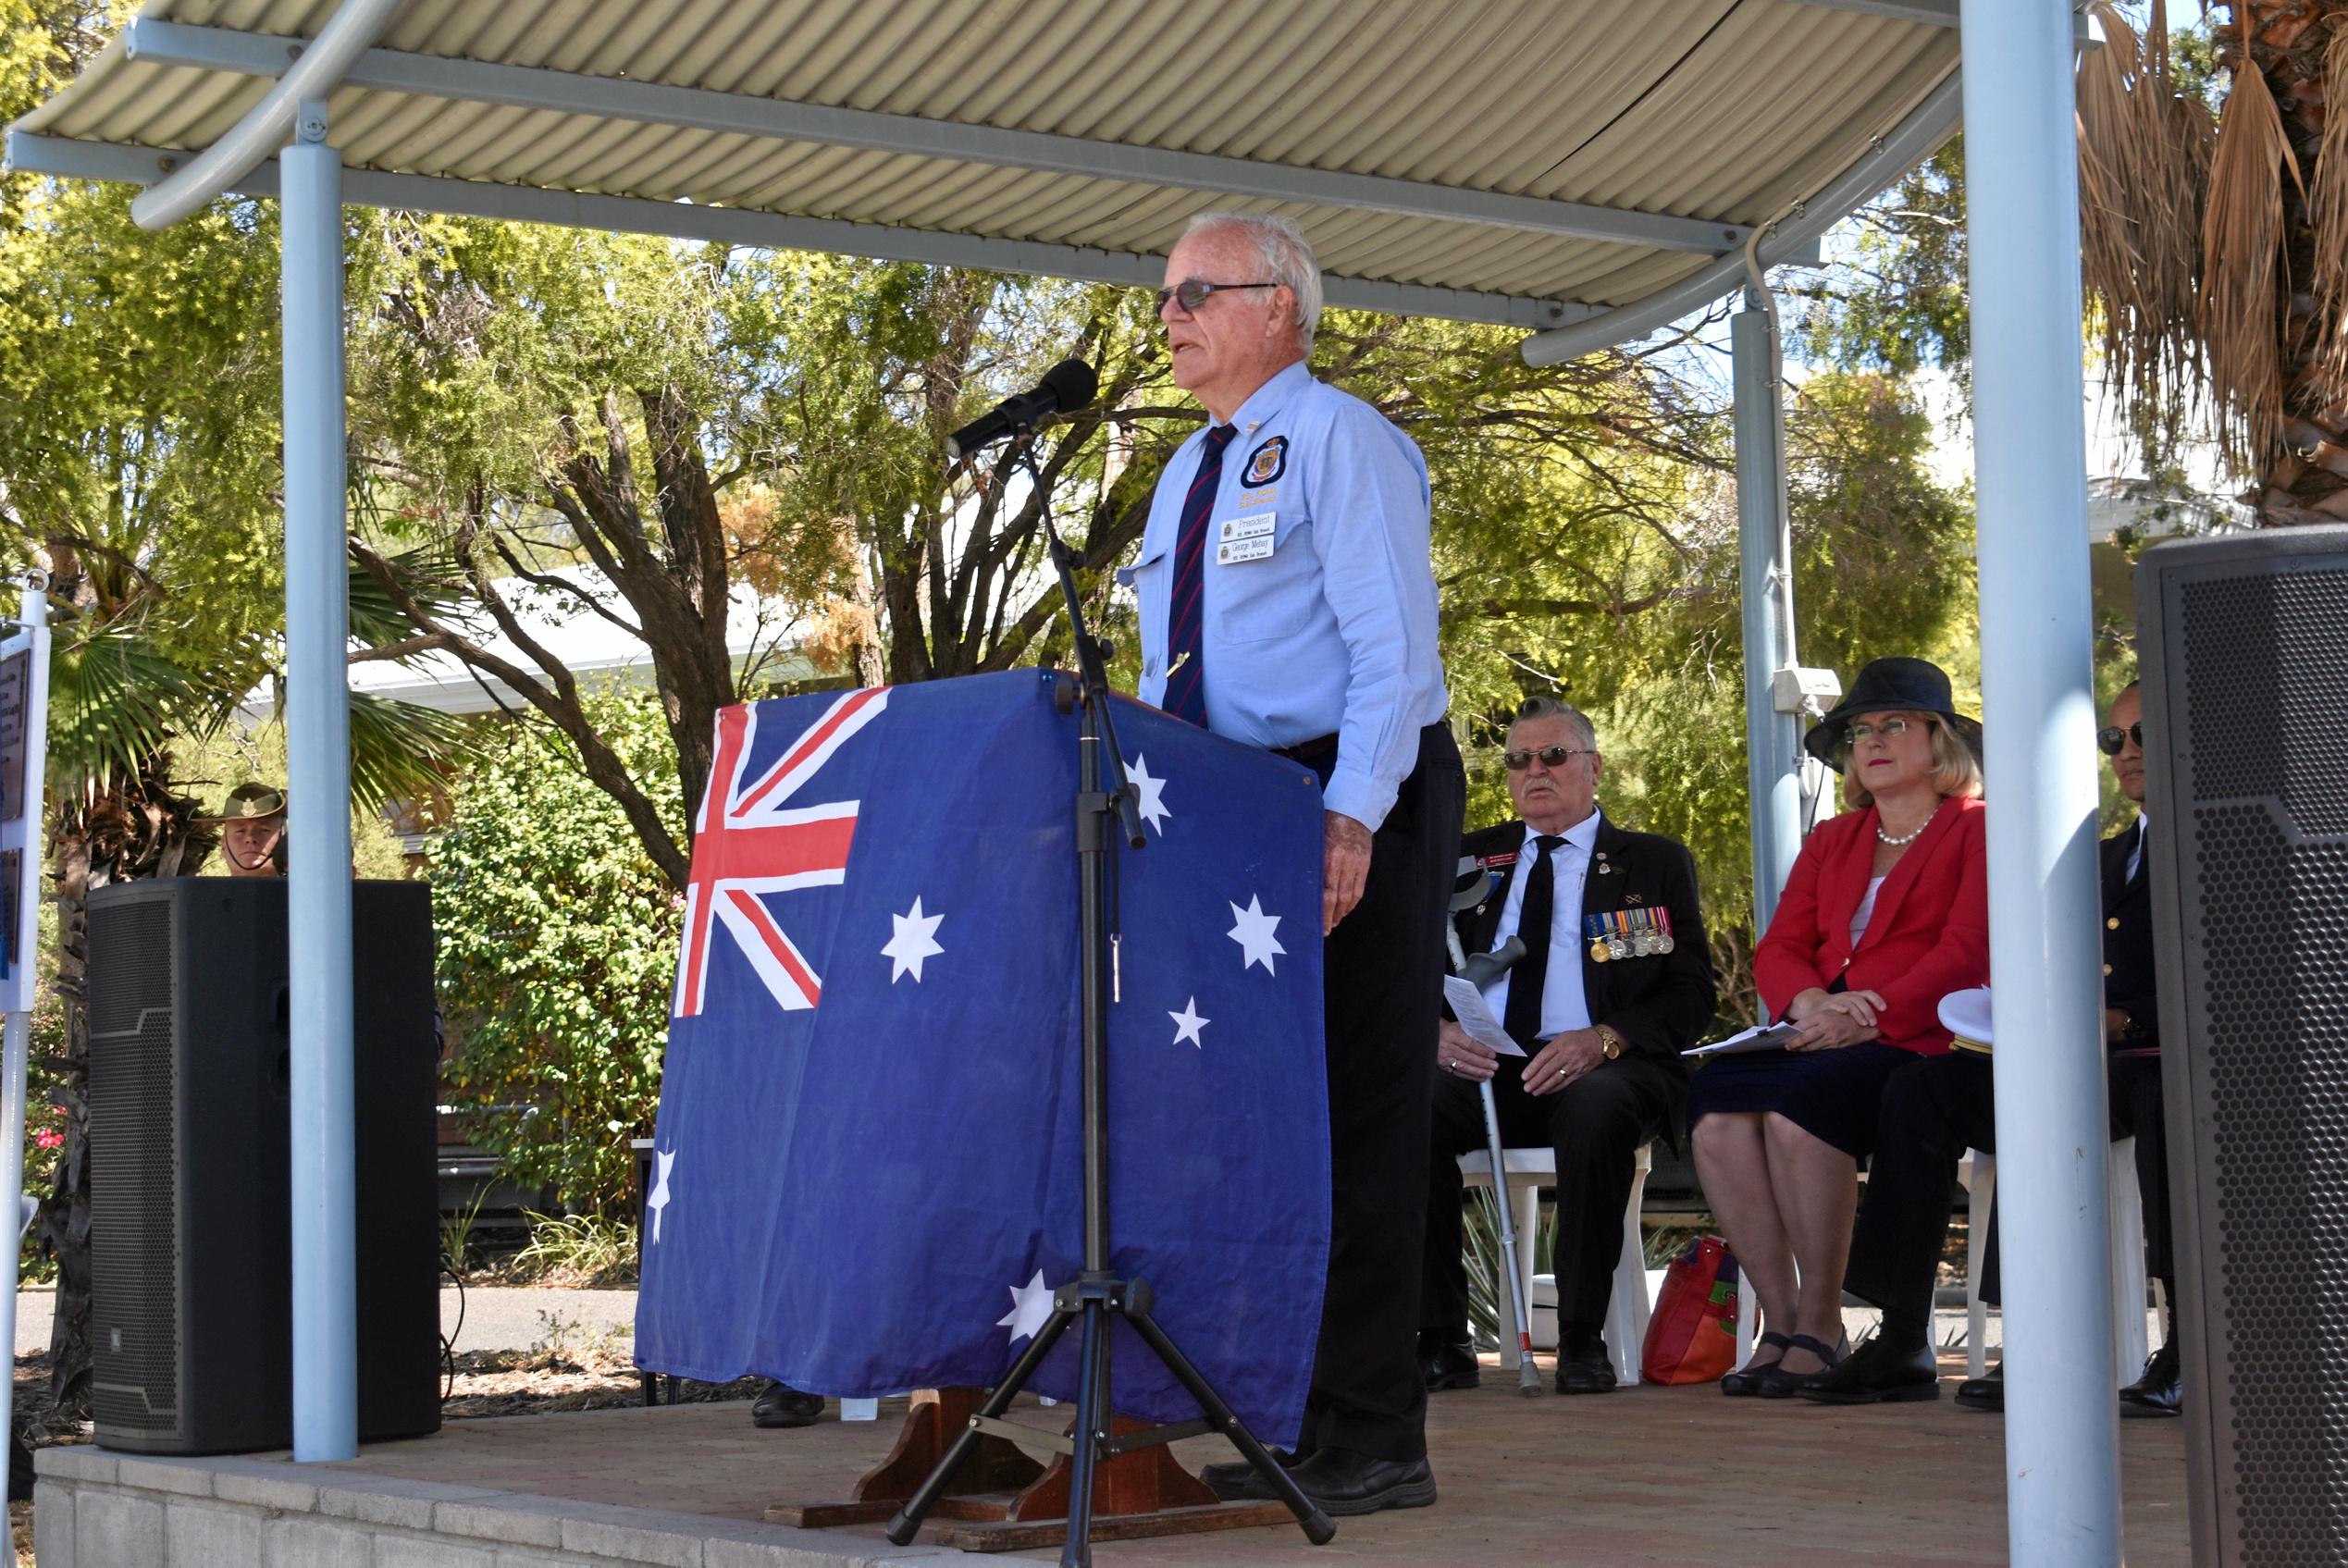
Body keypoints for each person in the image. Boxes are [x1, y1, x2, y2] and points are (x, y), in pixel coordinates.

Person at [1126, 212, 1461, 1516]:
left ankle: (1377, 1432)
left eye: (1195, 291)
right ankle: (1295, 1415)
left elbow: (1395, 652)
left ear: (1279, 307)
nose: (1168, 314)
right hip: (1237, 802)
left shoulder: (1341, 437)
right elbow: (1177, 670)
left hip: (1349, 787)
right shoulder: (1182, 474)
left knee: (1364, 1111)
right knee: (1270, 1121)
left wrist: (1351, 813)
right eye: (1162, 294)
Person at [1806, 682, 2178, 1414]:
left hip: (2167, 1062)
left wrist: (2125, 1020)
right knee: (1922, 1089)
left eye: (2143, 735)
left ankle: (2186, 1346)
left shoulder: (2228, 843)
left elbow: (2242, 976)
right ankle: (1905, 1336)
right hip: (2074, 1062)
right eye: (2114, 740)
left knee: (2145, 1101)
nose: (2127, 753)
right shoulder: (2097, 859)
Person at [1687, 657, 1989, 1397]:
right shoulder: (1833, 840)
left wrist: (1867, 1012)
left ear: (1939, 740)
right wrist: (1814, 1004)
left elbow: (1966, 949)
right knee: (1717, 1109)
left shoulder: (1976, 827)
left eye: (1893, 725)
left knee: (1799, 1110)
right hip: (1819, 1025)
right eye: (1859, 731)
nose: (1871, 741)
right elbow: (1780, 945)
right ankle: (1783, 1321)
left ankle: (1822, 1324)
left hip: (1916, 1038)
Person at [1418, 697, 1715, 1395]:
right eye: (1519, 761)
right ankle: (1440, 1338)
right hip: (1486, 1064)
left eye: (1553, 756)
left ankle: (1581, 1338)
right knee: (1414, 1105)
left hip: (1604, 1066)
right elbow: (1406, 966)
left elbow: (1689, 994)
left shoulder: (1652, 862)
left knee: (1595, 1109)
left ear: (1594, 768)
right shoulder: (1466, 857)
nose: (1535, 772)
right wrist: (1435, 1034)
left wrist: (1605, 1038)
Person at [201, 783, 288, 877]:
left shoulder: (304, 891)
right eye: (240, 831)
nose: (250, 838)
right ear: (223, 845)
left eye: (264, 830)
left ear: (284, 839)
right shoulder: (198, 891)